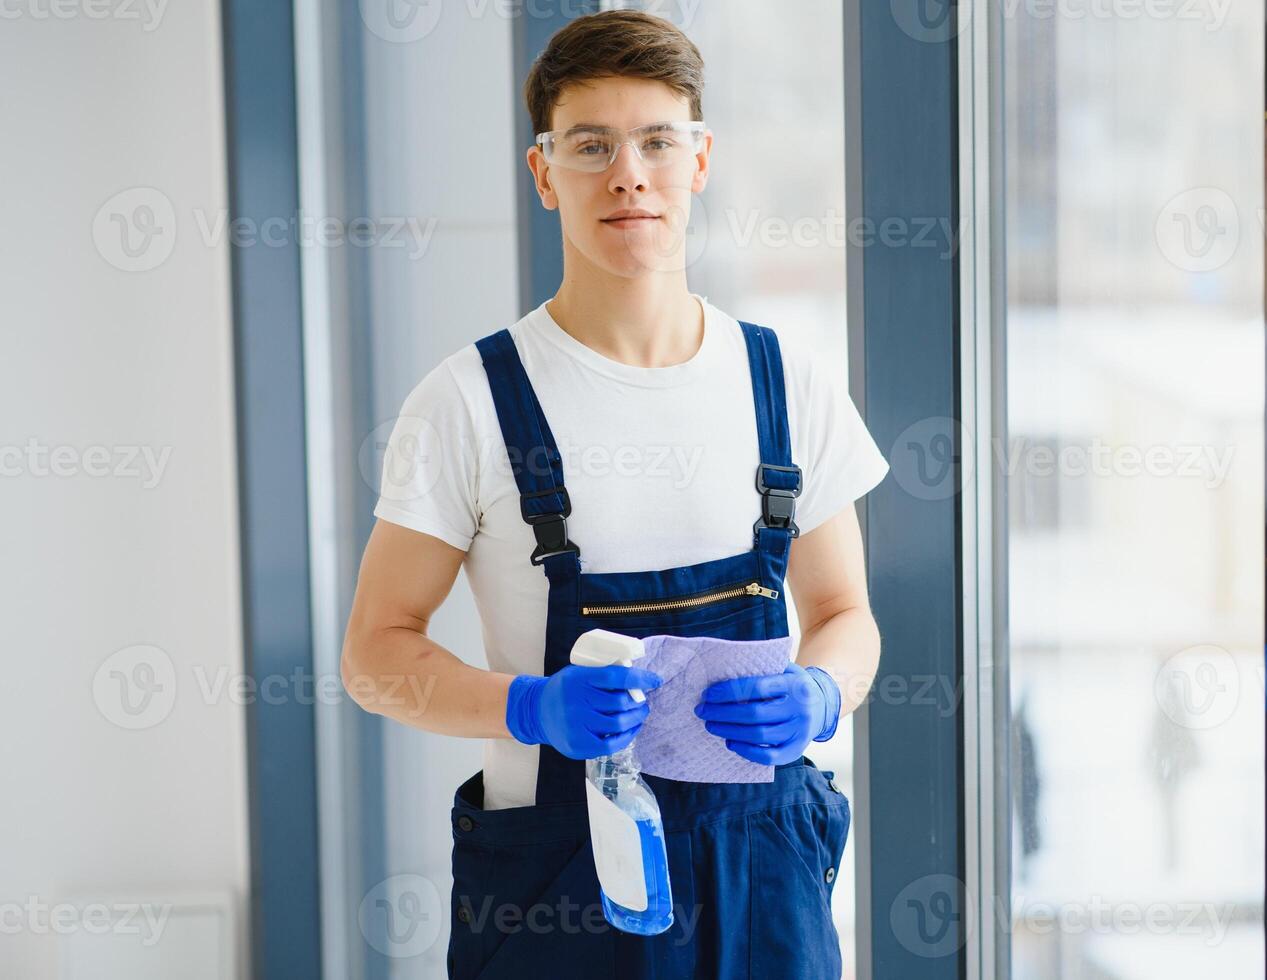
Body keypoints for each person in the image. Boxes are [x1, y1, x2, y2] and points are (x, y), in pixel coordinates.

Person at [339, 10, 890, 978]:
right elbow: (372, 655)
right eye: (590, 145)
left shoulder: (787, 383)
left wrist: (818, 695)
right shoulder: (466, 404)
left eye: (655, 141)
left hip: (765, 888)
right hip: (559, 898)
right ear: (544, 171)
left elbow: (848, 616)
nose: (627, 173)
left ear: (700, 159)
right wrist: (527, 707)